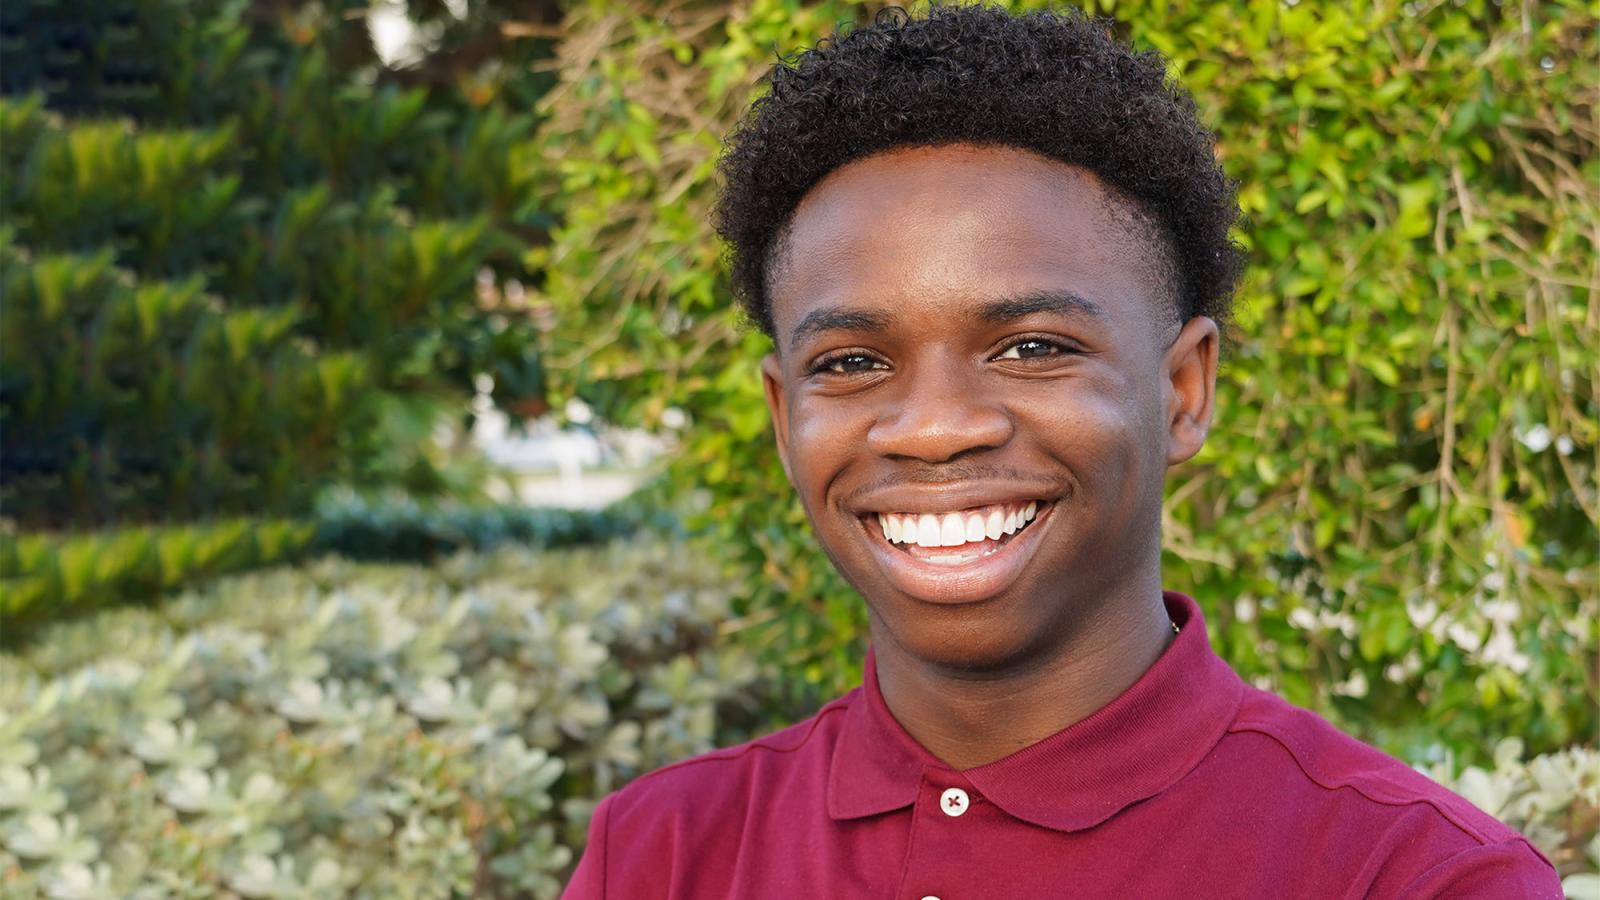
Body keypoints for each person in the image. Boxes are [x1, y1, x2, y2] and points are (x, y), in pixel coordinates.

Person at [562, 5, 1562, 897]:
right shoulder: (660, 855)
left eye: (1033, 347)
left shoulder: (1410, 875)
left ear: (1182, 391)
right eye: (854, 360)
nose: (935, 425)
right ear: (785, 420)